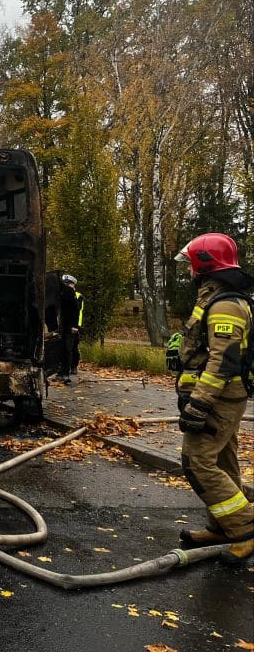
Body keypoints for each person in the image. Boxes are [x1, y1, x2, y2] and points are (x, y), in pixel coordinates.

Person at [170, 233, 253, 565]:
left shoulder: (225, 304)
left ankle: (244, 529)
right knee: (222, 462)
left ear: (205, 264)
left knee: (198, 462)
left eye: (191, 262)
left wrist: (199, 404)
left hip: (219, 400)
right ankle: (222, 526)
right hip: (223, 398)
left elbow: (223, 361)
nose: (189, 269)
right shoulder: (218, 299)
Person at [58, 274, 81, 384]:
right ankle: (63, 372)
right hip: (66, 325)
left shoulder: (69, 292)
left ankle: (65, 373)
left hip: (69, 326)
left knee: (67, 349)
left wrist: (75, 326)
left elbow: (75, 310)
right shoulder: (69, 292)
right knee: (65, 349)